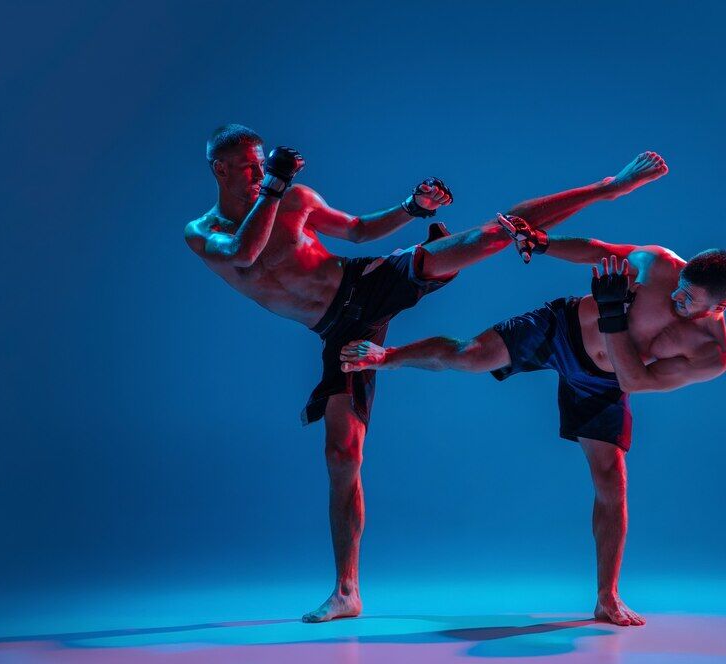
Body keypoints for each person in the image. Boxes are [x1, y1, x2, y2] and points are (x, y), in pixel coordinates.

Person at [184, 124, 671, 622]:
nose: (261, 173)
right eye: (249, 166)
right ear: (219, 170)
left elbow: (355, 230)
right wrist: (273, 188)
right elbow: (244, 254)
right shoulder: (205, 232)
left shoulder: (293, 197)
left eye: (263, 163)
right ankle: (347, 591)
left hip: (366, 284)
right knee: (341, 454)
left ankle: (610, 186)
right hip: (336, 330)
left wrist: (411, 208)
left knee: (495, 234)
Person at [340, 228, 726, 626]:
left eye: (688, 300)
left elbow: (634, 381)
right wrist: (546, 244)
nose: (677, 298)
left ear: (720, 307)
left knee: (611, 481)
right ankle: (386, 355)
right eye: (681, 287)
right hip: (562, 328)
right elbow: (599, 248)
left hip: (603, 381)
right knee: (470, 355)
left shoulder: (710, 354)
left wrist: (614, 315)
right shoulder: (661, 265)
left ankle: (607, 597)